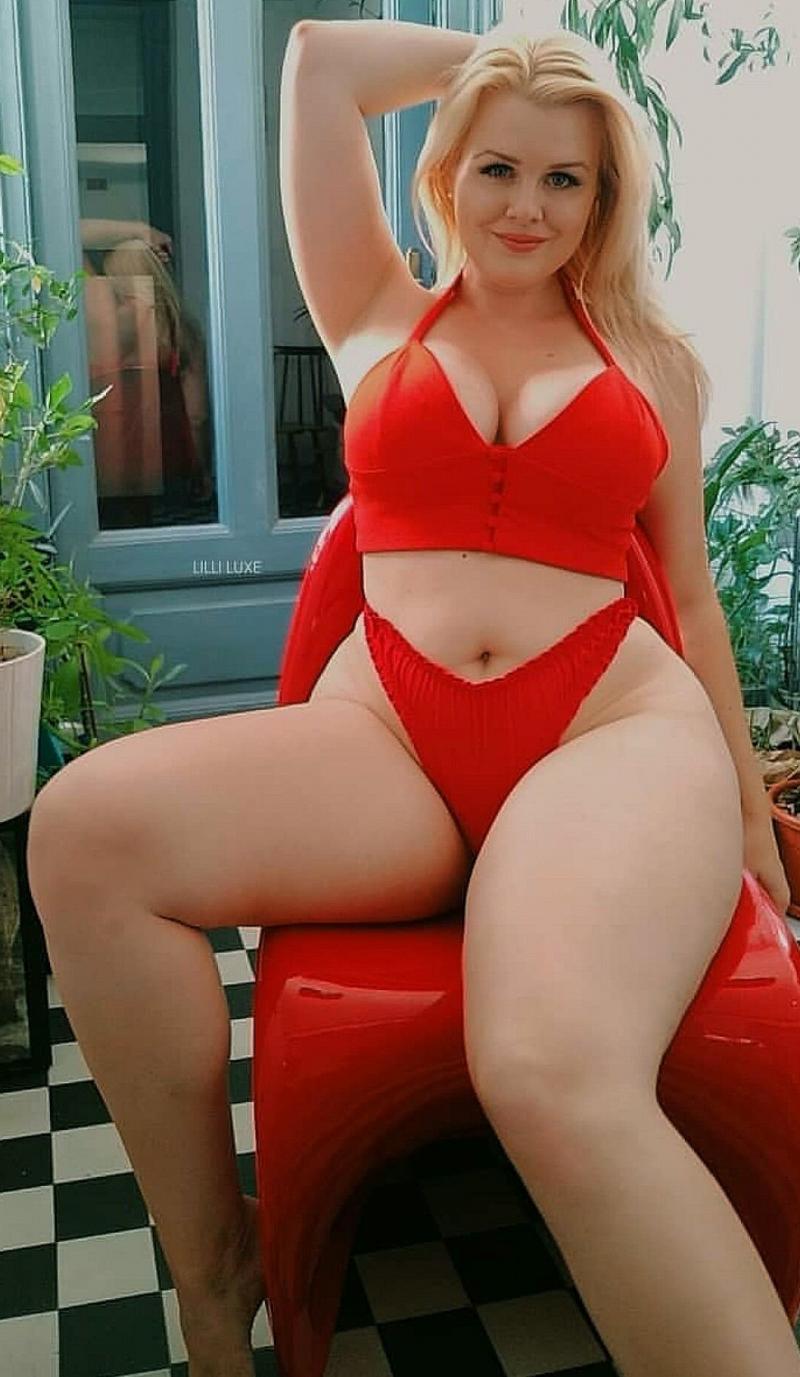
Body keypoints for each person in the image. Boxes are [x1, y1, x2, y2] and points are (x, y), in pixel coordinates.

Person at [26, 16, 797, 1377]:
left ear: (604, 198)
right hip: (391, 736)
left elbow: (689, 597)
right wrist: (513, 62)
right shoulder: (375, 307)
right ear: (447, 171)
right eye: (498, 167)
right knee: (83, 833)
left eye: (566, 179)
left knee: (550, 1071)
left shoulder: (654, 360)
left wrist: (746, 816)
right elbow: (321, 62)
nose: (527, 206)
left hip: (609, 732)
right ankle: (215, 1265)